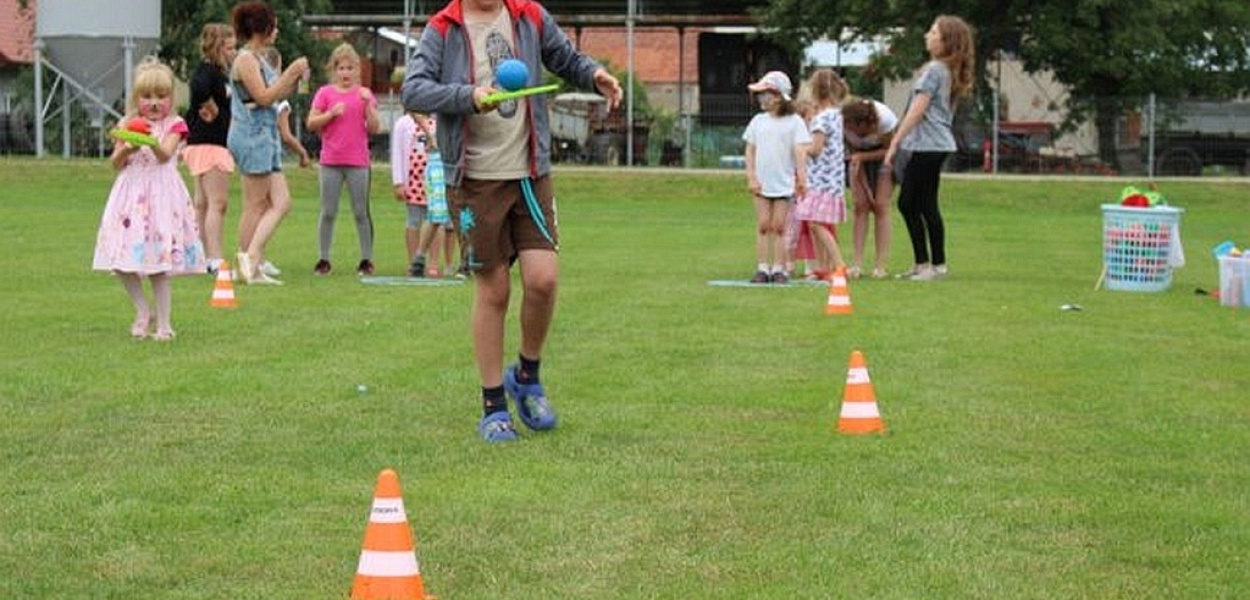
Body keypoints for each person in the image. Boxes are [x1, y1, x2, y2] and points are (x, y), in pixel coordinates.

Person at [402, 0, 622, 442]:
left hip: (530, 174)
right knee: (495, 290)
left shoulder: (530, 16)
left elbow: (567, 59)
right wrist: (468, 97)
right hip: (475, 180)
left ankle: (526, 375)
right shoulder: (443, 27)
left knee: (543, 280)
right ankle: (493, 406)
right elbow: (414, 91)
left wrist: (595, 75)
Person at [93, 57, 206, 341]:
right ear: (136, 98)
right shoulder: (127, 123)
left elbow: (166, 154)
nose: (154, 103)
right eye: (147, 97)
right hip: (130, 198)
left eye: (161, 96)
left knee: (158, 265)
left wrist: (149, 141)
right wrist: (126, 148)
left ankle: (165, 324)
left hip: (161, 197)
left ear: (171, 98)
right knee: (121, 260)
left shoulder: (174, 124)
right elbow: (116, 162)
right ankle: (143, 310)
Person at [884, 15, 975, 281]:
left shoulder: (935, 69)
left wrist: (896, 142)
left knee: (908, 202)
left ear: (946, 40)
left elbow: (918, 109)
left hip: (927, 145)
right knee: (924, 203)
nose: (927, 35)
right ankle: (930, 265)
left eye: (933, 32)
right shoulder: (946, 70)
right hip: (936, 143)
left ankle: (929, 265)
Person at [226, 0, 310, 285]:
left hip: (266, 135)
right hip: (251, 135)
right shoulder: (245, 59)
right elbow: (262, 97)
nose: (277, 29)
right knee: (255, 204)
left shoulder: (259, 58)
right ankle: (246, 264)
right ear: (263, 27)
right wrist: (290, 72)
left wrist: (296, 76)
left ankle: (252, 258)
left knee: (281, 202)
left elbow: (276, 94)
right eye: (273, 23)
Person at [307, 42, 382, 276]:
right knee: (328, 211)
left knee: (361, 211)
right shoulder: (325, 94)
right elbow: (311, 123)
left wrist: (368, 106)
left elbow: (375, 128)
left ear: (357, 70)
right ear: (334, 70)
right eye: (341, 68)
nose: (345, 73)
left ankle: (366, 259)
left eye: (350, 68)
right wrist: (330, 114)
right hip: (330, 161)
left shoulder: (363, 95)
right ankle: (323, 258)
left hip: (358, 162)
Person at [743, 70, 811, 284]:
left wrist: (802, 179)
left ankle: (779, 268)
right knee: (764, 224)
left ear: (780, 96)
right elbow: (750, 150)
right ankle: (763, 267)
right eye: (761, 94)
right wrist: (751, 176)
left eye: (768, 94)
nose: (763, 99)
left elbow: (800, 151)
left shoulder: (794, 122)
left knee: (780, 226)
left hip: (783, 182)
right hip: (762, 182)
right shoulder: (758, 121)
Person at [182, 23, 236, 275]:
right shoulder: (209, 71)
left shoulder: (219, 73)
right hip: (210, 142)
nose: (233, 53)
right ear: (218, 48)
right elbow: (199, 88)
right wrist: (211, 108)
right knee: (218, 203)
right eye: (229, 48)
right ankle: (214, 257)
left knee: (202, 203)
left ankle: (200, 256)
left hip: (202, 142)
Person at [791, 68, 848, 281]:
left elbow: (816, 149)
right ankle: (824, 268)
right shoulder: (836, 115)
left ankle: (839, 265)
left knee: (815, 223)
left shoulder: (821, 119)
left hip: (821, 181)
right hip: (833, 179)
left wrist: (801, 149)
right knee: (818, 224)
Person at [842, 97, 899, 279]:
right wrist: (865, 188)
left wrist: (862, 158)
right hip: (856, 160)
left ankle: (880, 266)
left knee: (881, 205)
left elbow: (890, 150)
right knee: (861, 206)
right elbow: (853, 154)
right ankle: (856, 264)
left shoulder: (885, 121)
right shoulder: (842, 122)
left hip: (885, 158)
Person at [389, 110, 451, 277]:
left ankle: (432, 262)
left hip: (436, 178)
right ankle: (413, 262)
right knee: (413, 221)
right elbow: (397, 154)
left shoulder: (439, 121)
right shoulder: (403, 123)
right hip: (413, 181)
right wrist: (398, 182)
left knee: (436, 219)